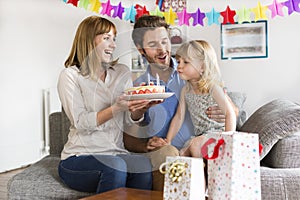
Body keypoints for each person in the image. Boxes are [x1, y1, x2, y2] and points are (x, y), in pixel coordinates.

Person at [123, 15, 238, 190]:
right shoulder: (139, 87)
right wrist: (145, 143)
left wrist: (231, 112)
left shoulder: (194, 71)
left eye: (164, 41)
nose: (162, 50)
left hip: (204, 145)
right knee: (170, 154)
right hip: (167, 151)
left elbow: (231, 109)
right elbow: (128, 138)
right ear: (141, 50)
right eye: (153, 45)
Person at [57, 15, 153, 194]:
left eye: (114, 39)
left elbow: (129, 121)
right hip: (79, 158)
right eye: (107, 38)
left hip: (116, 153)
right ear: (89, 40)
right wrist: (116, 107)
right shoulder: (70, 76)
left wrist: (139, 109)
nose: (114, 45)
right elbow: (81, 123)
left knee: (142, 164)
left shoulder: (121, 72)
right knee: (115, 166)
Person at [166, 40, 236, 158]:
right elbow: (179, 117)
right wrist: (168, 140)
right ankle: (200, 172)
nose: (179, 66)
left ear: (202, 66)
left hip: (219, 134)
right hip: (202, 136)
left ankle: (206, 175)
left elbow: (230, 114)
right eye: (178, 62)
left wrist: (228, 140)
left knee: (196, 145)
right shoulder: (185, 91)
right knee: (182, 153)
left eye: (186, 62)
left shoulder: (213, 88)